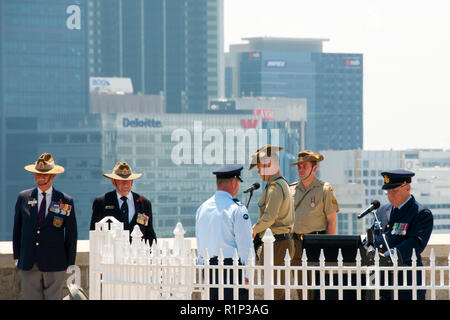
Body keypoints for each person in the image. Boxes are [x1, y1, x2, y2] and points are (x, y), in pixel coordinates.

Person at [13, 153, 78, 300]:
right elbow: (17, 229)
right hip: (29, 262)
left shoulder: (65, 200)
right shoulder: (24, 197)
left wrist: (70, 262)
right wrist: (17, 256)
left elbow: (71, 234)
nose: (40, 178)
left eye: (44, 175)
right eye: (37, 174)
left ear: (53, 176)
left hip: (56, 263)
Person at [367, 169, 433, 300]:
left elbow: (415, 243)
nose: (390, 195)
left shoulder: (420, 213)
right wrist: (367, 250)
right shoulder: (381, 211)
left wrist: (386, 256)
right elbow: (373, 236)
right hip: (379, 280)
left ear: (407, 187)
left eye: (394, 191)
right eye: (388, 192)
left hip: (406, 280)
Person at [195, 164, 254, 300]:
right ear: (233, 182)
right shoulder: (237, 209)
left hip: (210, 270)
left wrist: (203, 270)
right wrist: (247, 274)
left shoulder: (202, 209)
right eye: (238, 183)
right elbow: (245, 246)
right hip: (232, 271)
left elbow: (200, 242)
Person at [288, 150, 339, 299]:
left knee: (317, 289)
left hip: (316, 243)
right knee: (301, 288)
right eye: (299, 167)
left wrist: (330, 249)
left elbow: (332, 221)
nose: (300, 170)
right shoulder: (291, 189)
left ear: (314, 169)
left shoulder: (325, 189)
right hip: (295, 244)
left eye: (304, 166)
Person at [250, 145, 294, 300]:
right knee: (273, 290)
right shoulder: (274, 185)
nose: (258, 171)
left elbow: (269, 217)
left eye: (260, 166)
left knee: (276, 292)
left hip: (278, 244)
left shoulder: (276, 187)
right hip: (276, 243)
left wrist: (253, 230)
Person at [90, 162, 157, 246]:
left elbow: (149, 233)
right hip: (111, 255)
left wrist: (150, 256)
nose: (125, 184)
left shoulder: (143, 203)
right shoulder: (102, 202)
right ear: (113, 182)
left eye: (128, 180)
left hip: (137, 255)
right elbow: (94, 233)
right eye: (121, 181)